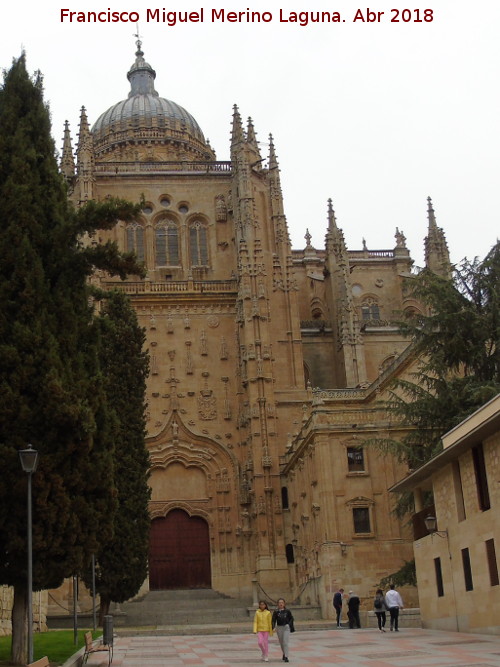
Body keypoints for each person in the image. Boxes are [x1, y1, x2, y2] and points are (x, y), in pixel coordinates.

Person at [272, 598, 294, 663]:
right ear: (277, 604)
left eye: (282, 602)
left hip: (286, 627)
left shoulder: (287, 611)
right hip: (279, 627)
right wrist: (272, 627)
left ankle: (287, 656)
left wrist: (289, 625)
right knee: (281, 642)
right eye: (279, 603)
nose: (281, 604)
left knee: (285, 642)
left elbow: (291, 618)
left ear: (284, 604)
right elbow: (273, 620)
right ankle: (284, 653)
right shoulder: (276, 612)